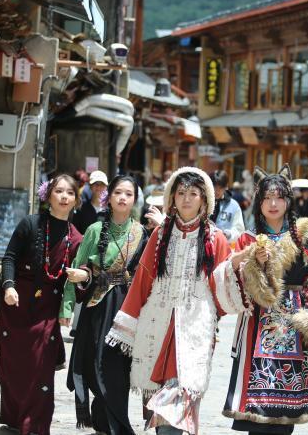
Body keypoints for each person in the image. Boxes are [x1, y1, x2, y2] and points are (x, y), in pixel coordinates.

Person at [104, 167, 244, 434]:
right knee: (160, 404)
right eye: (181, 193)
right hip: (157, 324)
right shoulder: (160, 235)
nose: (187, 199)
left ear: (204, 199)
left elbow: (222, 290)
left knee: (181, 397)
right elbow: (143, 280)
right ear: (172, 197)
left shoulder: (215, 238)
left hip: (194, 328)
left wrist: (234, 266)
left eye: (193, 194)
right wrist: (127, 324)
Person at [223, 164, 308, 434]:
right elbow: (234, 283)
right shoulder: (248, 239)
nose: (273, 204)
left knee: (287, 414)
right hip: (257, 323)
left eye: (279, 197)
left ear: (288, 200)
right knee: (255, 411)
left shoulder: (304, 236)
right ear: (258, 201)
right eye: (267, 198)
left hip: (295, 324)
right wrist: (255, 264)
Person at [0, 175, 84, 435]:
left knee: (41, 367)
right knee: (13, 367)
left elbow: (79, 279)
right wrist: (8, 286)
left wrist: (77, 284)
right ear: (48, 196)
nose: (64, 196)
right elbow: (9, 257)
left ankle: (34, 425)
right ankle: (15, 420)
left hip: (47, 309)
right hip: (16, 303)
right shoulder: (30, 224)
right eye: (59, 191)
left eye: (70, 192)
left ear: (76, 200)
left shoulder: (76, 238)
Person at [59, 176, 149, 433]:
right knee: (96, 363)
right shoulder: (94, 230)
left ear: (135, 200)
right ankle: (106, 423)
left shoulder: (141, 233)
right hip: (98, 305)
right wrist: (66, 307)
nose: (123, 198)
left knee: (119, 368)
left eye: (129, 194)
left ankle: (112, 424)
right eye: (118, 192)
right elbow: (77, 268)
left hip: (128, 306)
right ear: (108, 197)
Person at [210, 170, 245, 243]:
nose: (217, 191)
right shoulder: (202, 202)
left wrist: (229, 234)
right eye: (214, 187)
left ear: (226, 187)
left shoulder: (234, 205)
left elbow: (239, 230)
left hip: (224, 246)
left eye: (220, 187)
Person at [73, 170, 109, 234]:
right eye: (95, 184)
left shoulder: (111, 209)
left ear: (106, 187)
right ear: (90, 186)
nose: (98, 187)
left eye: (102, 184)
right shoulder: (81, 208)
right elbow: (75, 231)